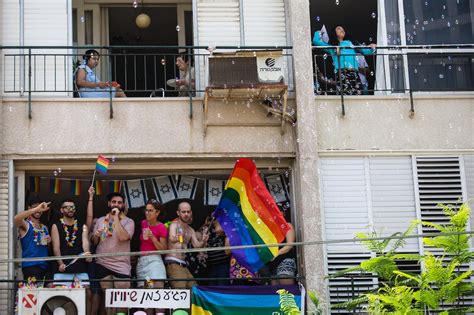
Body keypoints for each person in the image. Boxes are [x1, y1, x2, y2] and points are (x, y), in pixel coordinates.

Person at [91, 192, 134, 315]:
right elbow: (94, 242)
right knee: (109, 300)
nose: (116, 204)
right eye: (114, 202)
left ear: (123, 205)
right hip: (102, 263)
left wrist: (115, 218)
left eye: (119, 202)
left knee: (121, 300)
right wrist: (96, 235)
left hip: (121, 265)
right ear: (109, 203)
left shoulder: (129, 222)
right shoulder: (100, 220)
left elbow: (123, 237)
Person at [313, 25, 376, 95]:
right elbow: (316, 41)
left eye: (343, 29)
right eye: (339, 28)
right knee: (345, 98)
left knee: (358, 98)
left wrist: (372, 47)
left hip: (354, 74)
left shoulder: (352, 43)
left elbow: (366, 51)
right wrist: (319, 32)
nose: (342, 30)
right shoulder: (332, 47)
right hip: (341, 74)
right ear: (334, 33)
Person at [164, 202, 209, 289]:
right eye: (183, 212)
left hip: (183, 264)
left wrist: (203, 240)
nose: (186, 214)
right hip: (173, 262)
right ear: (178, 213)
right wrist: (178, 237)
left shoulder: (190, 230)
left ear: (191, 212)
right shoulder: (174, 225)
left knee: (194, 290)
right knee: (181, 291)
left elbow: (196, 246)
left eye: (188, 212)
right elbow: (171, 238)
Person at [137, 199, 168, 315]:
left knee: (158, 295)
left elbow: (164, 249)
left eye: (150, 211)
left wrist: (153, 238)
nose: (147, 213)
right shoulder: (143, 223)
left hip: (154, 262)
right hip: (142, 262)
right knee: (147, 297)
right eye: (146, 210)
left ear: (157, 213)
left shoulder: (161, 227)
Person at [14, 198, 52, 285]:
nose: (39, 210)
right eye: (35, 207)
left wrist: (49, 242)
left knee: (50, 292)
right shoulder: (26, 225)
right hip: (30, 266)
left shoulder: (44, 227)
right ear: (29, 208)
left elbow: (47, 249)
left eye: (40, 208)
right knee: (34, 294)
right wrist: (36, 209)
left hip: (45, 265)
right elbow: (16, 219)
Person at [203, 218, 230, 285]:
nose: (213, 220)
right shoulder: (207, 230)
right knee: (212, 289)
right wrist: (205, 225)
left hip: (223, 265)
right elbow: (198, 234)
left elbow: (219, 230)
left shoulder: (224, 228)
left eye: (215, 218)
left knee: (222, 288)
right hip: (211, 266)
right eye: (212, 219)